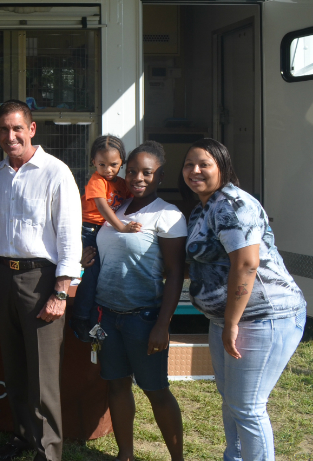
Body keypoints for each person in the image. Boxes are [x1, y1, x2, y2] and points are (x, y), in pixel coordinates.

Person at [0, 99, 81, 461]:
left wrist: (61, 290)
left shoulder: (55, 172)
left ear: (31, 129)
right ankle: (24, 437)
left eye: (17, 128)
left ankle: (49, 452)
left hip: (41, 279)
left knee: (42, 374)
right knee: (14, 366)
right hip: (2, 276)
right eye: (3, 129)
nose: (10, 136)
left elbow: (70, 237)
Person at [181, 138, 305, 461]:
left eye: (204, 164)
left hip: (264, 317)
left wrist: (232, 322)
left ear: (222, 167)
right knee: (232, 400)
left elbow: (247, 264)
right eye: (188, 165)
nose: (195, 171)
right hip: (227, 319)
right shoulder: (202, 209)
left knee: (247, 407)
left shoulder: (234, 205)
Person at [90, 142, 186, 461]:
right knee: (116, 386)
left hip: (143, 319)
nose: (137, 178)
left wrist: (163, 324)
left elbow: (174, 274)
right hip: (107, 318)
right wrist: (86, 255)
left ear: (160, 175)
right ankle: (125, 455)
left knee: (155, 390)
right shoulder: (115, 208)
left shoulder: (168, 214)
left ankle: (177, 458)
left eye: (147, 172)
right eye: (131, 171)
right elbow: (106, 253)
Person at [70, 134, 138, 340]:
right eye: (102, 164)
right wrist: (122, 228)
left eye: (113, 165)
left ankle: (100, 320)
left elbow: (131, 203)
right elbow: (101, 206)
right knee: (91, 272)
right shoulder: (96, 180)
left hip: (106, 232)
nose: (107, 169)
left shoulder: (122, 183)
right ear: (93, 162)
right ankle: (80, 318)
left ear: (122, 163)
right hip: (90, 230)